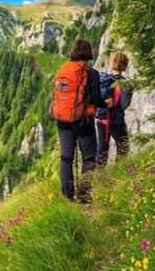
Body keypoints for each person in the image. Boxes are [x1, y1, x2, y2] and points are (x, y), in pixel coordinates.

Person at [49, 39, 111, 203]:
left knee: (66, 158)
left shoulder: (63, 70)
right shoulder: (91, 73)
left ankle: (67, 196)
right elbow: (98, 100)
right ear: (88, 54)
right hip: (83, 122)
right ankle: (84, 197)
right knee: (89, 158)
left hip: (63, 121)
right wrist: (107, 103)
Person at [95, 52, 133, 165]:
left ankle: (98, 177)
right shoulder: (125, 83)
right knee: (123, 146)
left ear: (112, 63)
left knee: (102, 149)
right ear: (125, 66)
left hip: (101, 120)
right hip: (116, 121)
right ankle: (119, 173)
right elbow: (124, 104)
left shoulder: (104, 79)